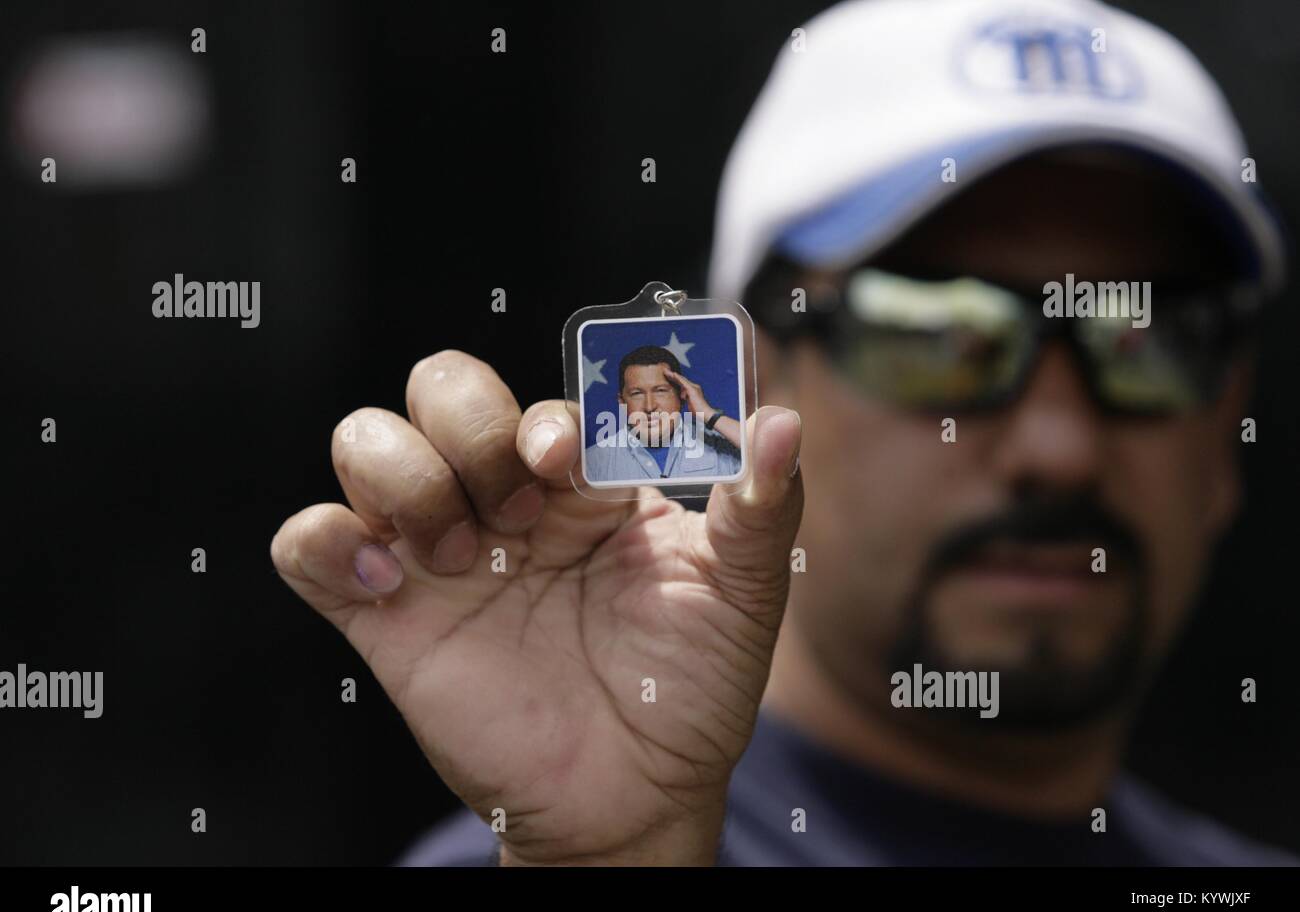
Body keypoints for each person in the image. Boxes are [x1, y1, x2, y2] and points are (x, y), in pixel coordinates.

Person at [271, 0, 1297, 865]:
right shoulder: (560, 843)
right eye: (935, 333)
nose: (1059, 446)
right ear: (746, 384)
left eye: (1151, 340)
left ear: (1223, 430)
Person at [584, 345, 743, 482]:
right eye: (637, 393)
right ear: (622, 401)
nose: (649, 406)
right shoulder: (594, 462)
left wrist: (708, 413)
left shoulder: (720, 447)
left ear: (682, 394)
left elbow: (763, 453)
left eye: (660, 391)